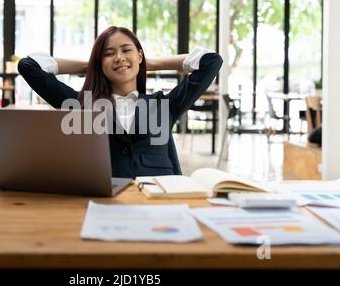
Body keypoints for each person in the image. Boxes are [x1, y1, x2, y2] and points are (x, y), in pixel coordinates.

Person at [18, 26, 222, 178]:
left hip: (159, 202)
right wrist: (90, 66)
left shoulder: (165, 105)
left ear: (139, 55)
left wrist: (151, 64)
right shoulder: (80, 105)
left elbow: (211, 61)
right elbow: (29, 65)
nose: (118, 58)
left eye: (126, 51)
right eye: (108, 54)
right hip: (105, 201)